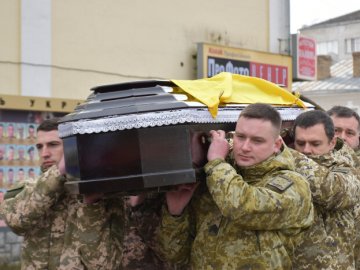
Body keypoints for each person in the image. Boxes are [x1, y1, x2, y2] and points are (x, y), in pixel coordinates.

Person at [155, 103, 314, 269]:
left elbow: (241, 207)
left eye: (257, 140)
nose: (245, 147)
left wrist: (216, 162)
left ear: (276, 144)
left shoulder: (294, 187)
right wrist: (175, 214)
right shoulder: (217, 180)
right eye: (240, 137)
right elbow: (175, 257)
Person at [0, 118, 124, 270]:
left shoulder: (100, 194)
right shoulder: (28, 188)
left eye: (53, 144)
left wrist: (91, 204)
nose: (44, 153)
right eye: (40, 146)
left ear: (73, 147)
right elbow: (17, 222)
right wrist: (59, 171)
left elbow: (103, 265)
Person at [291, 110, 360, 269]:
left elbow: (332, 192)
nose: (307, 150)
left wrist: (283, 151)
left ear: (332, 143)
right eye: (300, 143)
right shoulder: (287, 167)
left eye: (315, 144)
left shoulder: (344, 167)